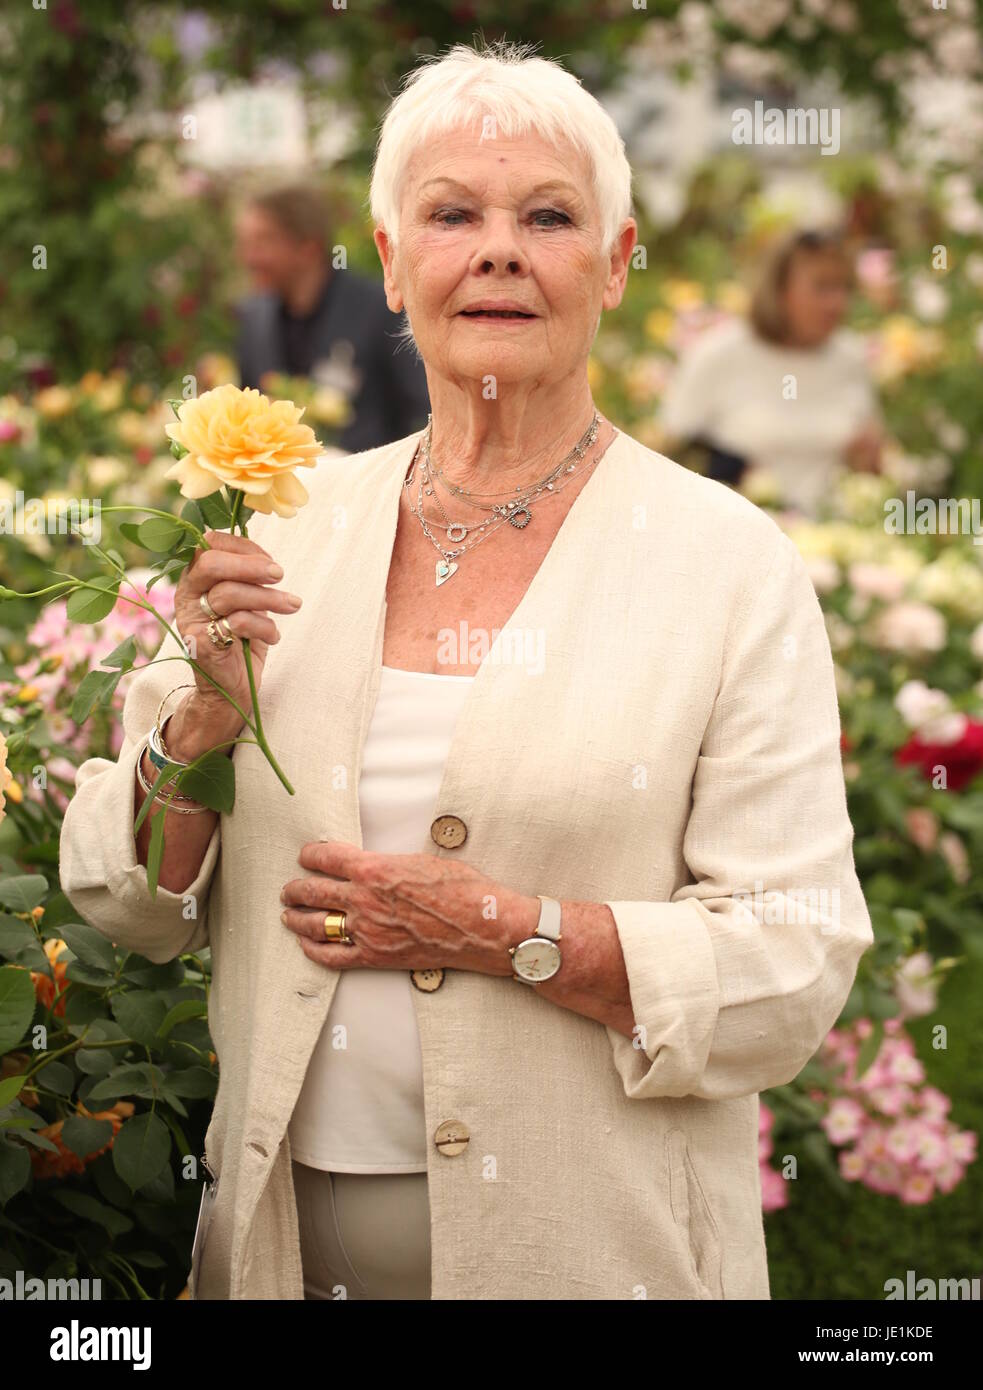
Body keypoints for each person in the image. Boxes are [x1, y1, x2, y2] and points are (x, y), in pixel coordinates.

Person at [59, 41, 873, 1301]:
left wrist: (512, 933)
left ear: (612, 261)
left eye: (547, 216)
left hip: (598, 1256)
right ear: (390, 261)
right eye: (451, 214)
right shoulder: (278, 531)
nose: (498, 248)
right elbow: (132, 905)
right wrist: (199, 727)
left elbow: (792, 961)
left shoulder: (723, 562)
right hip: (277, 1255)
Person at [659, 227, 884, 515]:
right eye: (822, 287)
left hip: (832, 535)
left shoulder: (850, 357)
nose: (837, 303)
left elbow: (870, 463)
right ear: (780, 290)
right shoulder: (718, 354)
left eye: (844, 288)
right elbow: (673, 456)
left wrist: (866, 460)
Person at [234, 184, 430, 452]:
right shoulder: (254, 318)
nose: (249, 258)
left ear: (309, 247)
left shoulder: (380, 308)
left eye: (264, 242)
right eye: (246, 243)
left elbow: (421, 412)